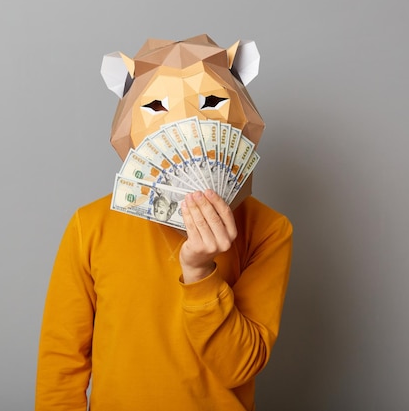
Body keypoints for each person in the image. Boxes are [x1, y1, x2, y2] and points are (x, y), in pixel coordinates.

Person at [35, 35, 293, 411]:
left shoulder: (268, 230)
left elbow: (241, 366)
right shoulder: (89, 226)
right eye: (157, 105)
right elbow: (62, 361)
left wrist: (200, 272)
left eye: (211, 101)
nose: (187, 122)